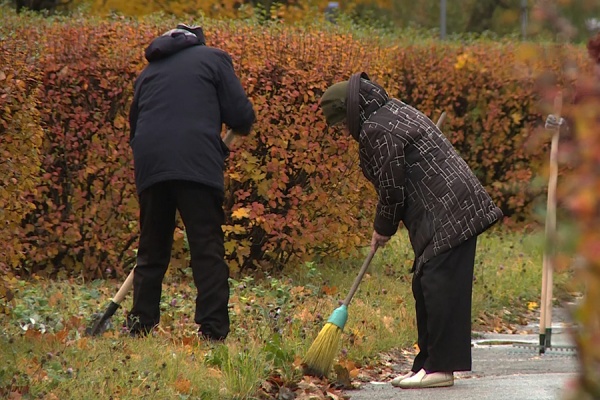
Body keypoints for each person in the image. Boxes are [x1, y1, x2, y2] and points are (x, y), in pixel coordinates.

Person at [319, 72, 503, 389]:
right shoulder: (391, 111)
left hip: (448, 207)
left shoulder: (376, 128)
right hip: (446, 205)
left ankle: (440, 369)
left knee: (438, 285)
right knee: (426, 283)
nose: (343, 130)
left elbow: (392, 189)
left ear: (350, 114)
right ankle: (427, 365)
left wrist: (382, 228)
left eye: (341, 123)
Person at [127, 24, 255, 340]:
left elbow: (134, 128)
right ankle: (213, 330)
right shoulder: (214, 58)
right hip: (196, 161)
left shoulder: (147, 73)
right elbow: (241, 115)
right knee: (206, 246)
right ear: (197, 41)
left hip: (150, 162)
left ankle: (140, 325)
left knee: (151, 248)